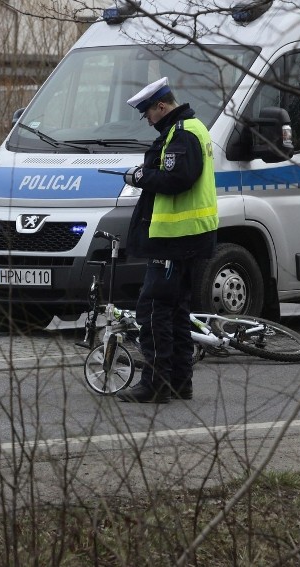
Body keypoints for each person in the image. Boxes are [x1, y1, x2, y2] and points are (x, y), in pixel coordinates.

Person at [114, 77, 219, 404]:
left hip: (175, 240)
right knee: (175, 311)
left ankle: (156, 384)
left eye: (148, 112)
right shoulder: (193, 128)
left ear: (162, 106)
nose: (147, 119)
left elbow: (177, 179)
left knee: (154, 310)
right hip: (188, 239)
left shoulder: (182, 132)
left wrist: (141, 176)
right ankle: (178, 381)